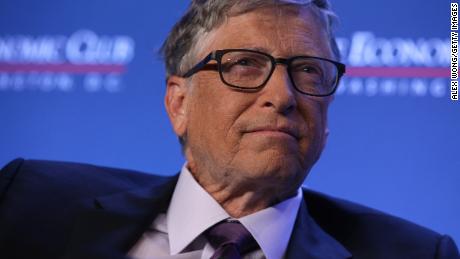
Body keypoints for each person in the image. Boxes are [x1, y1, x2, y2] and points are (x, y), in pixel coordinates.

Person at [0, 0, 458, 258]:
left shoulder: (416, 254)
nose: (282, 96)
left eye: (308, 71)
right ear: (179, 103)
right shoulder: (28, 204)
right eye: (244, 65)